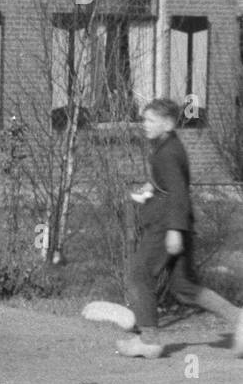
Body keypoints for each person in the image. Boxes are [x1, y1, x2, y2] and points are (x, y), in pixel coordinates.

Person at [104, 98, 243, 358]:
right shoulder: (168, 146)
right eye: (144, 119)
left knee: (139, 274)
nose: (144, 125)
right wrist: (151, 187)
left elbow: (178, 191)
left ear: (167, 124)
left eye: (151, 120)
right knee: (184, 286)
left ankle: (149, 340)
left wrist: (174, 230)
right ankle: (238, 318)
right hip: (174, 223)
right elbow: (171, 185)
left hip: (166, 226)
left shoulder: (167, 152)